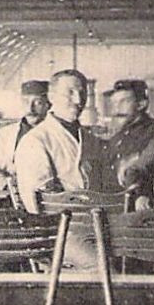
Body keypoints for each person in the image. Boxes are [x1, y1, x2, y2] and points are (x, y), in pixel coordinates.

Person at [15, 68, 113, 214]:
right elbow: (41, 202)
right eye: (70, 92)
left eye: (82, 93)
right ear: (51, 97)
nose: (78, 100)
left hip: (93, 223)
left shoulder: (91, 140)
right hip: (57, 229)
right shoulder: (35, 141)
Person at [107, 78, 154, 197]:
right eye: (115, 103)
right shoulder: (116, 137)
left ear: (141, 104)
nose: (117, 109)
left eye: (123, 102)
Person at [0, 79, 50, 188]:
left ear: (48, 104)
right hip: (12, 196)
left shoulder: (55, 134)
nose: (30, 108)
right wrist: (7, 186)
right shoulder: (6, 134)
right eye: (26, 102)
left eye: (38, 102)